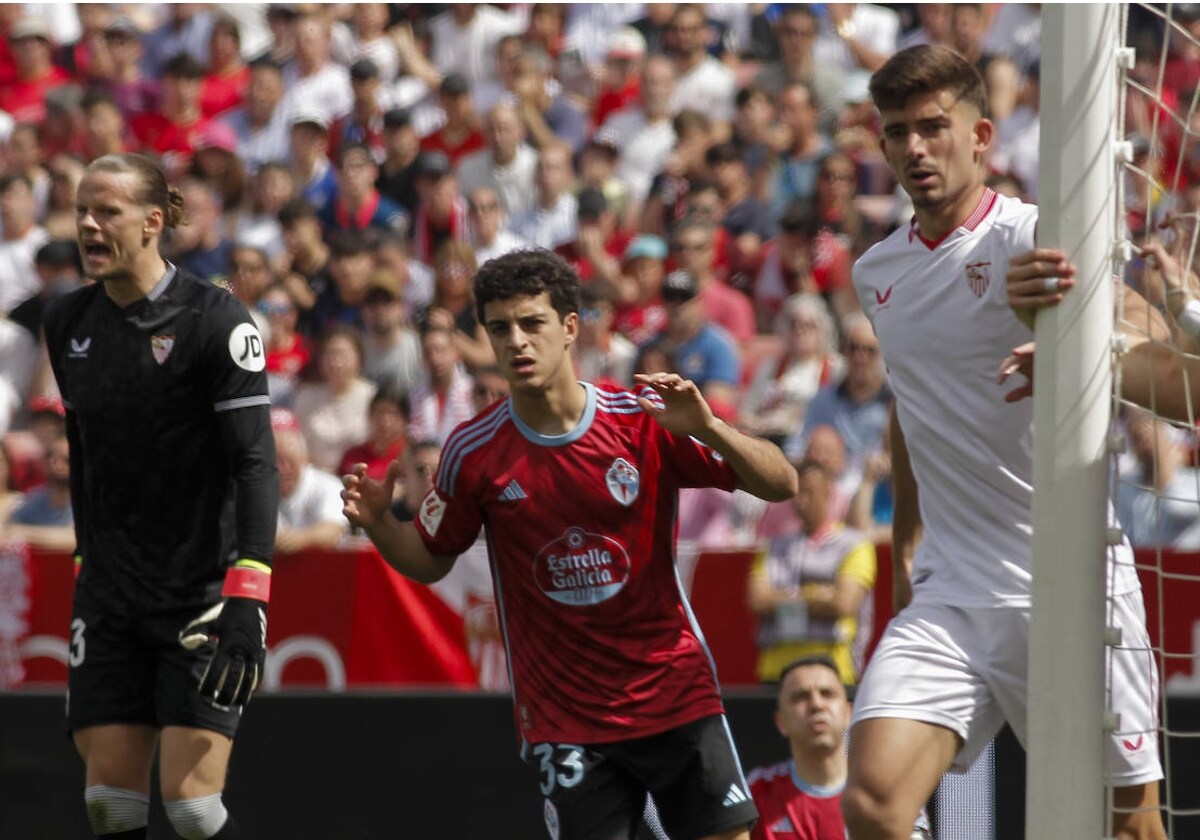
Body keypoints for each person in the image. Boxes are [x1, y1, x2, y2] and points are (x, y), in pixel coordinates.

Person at [342, 248, 798, 840]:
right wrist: (380, 524)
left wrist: (709, 427)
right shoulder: (471, 452)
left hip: (674, 694)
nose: (517, 342)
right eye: (500, 328)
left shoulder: (641, 420)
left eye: (532, 323)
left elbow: (781, 483)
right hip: (567, 720)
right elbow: (430, 561)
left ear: (569, 327)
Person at [840, 46, 1165, 840]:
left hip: (1076, 583)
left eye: (933, 127)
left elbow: (1163, 354)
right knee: (875, 805)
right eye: (896, 132)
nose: (915, 148)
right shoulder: (874, 272)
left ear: (980, 135)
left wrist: (1076, 347)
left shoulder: (1033, 237)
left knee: (1132, 831)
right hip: (953, 592)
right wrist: (907, 536)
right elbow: (913, 400)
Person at [43, 152, 277, 840]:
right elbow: (86, 452)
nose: (88, 224)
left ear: (152, 222)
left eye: (106, 211)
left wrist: (249, 595)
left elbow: (257, 465)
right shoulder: (66, 324)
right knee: (108, 807)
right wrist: (89, 561)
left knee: (193, 811)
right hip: (111, 595)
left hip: (200, 592)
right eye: (83, 209)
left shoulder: (217, 320)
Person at [746, 656, 930, 840]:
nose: (817, 705)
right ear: (781, 722)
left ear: (848, 713)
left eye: (827, 693)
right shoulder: (757, 792)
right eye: (800, 697)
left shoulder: (889, 790)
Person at [748, 460, 876, 686]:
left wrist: (780, 597)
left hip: (833, 668)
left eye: (809, 492)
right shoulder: (773, 546)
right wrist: (817, 594)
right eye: (797, 493)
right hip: (776, 670)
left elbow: (843, 605)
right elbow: (757, 600)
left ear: (828, 493)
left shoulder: (855, 545)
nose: (800, 501)